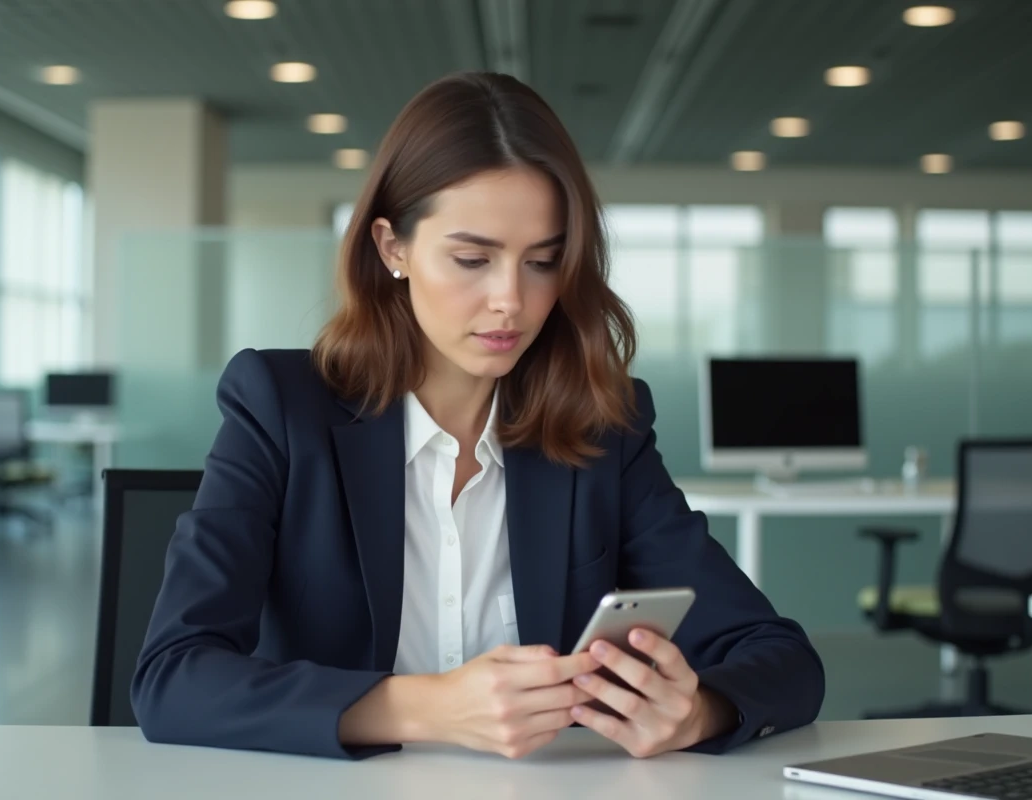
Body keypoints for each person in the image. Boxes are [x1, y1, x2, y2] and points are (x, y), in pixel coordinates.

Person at [131, 71, 824, 761]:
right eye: (472, 258)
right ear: (392, 247)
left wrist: (697, 712)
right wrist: (426, 706)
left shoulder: (601, 427)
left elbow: (783, 659)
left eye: (543, 262)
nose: (510, 301)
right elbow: (172, 678)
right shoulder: (280, 406)